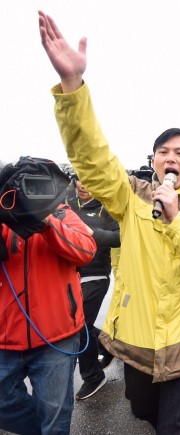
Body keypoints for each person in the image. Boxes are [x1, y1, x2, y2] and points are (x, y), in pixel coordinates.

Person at [39, 12, 180, 434]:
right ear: (152, 161)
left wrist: (177, 219)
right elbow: (92, 160)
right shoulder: (131, 197)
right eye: (162, 151)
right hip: (137, 341)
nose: (170, 158)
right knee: (143, 411)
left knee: (175, 427)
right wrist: (72, 87)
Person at [0, 158, 96, 434]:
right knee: (4, 406)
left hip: (57, 336)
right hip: (5, 337)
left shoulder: (62, 212)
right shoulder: (3, 213)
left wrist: (44, 221)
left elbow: (87, 251)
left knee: (55, 414)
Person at [68, 176, 121, 401]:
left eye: (88, 181)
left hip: (96, 275)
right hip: (69, 275)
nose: (83, 185)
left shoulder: (106, 208)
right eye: (79, 180)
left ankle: (93, 376)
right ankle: (107, 345)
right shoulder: (65, 205)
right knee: (82, 324)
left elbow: (119, 237)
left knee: (80, 325)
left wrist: (91, 233)